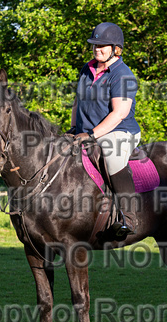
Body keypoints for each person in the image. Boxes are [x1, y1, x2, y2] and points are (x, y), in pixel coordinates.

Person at [71, 22, 141, 241]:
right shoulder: (87, 68)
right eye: (94, 45)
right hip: (87, 131)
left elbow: (119, 113)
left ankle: (129, 217)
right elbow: (78, 103)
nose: (97, 49)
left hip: (119, 131)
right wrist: (74, 129)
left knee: (110, 153)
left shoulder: (123, 74)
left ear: (115, 48)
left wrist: (92, 135)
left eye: (102, 46)